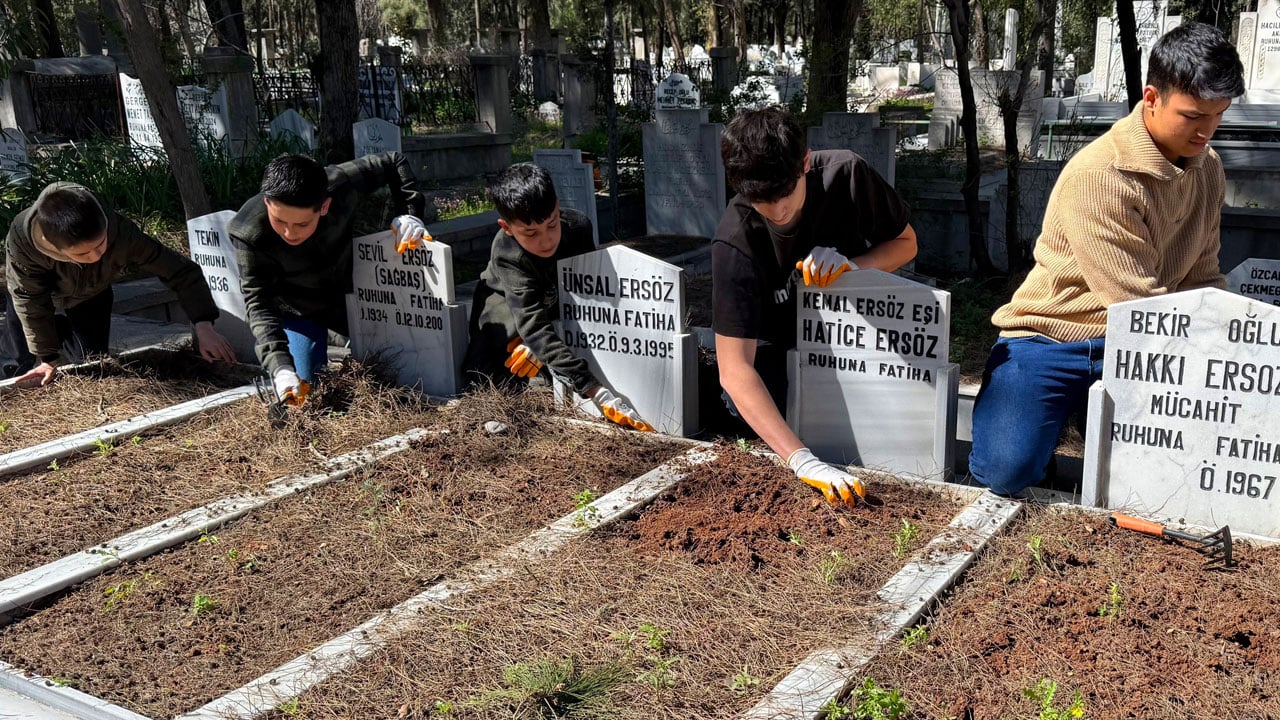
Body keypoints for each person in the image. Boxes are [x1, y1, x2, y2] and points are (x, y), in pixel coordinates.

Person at [968, 22, 1243, 497]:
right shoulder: (1101, 175)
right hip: (1055, 336)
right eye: (1194, 115)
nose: (1208, 130)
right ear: (1152, 98)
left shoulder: (1208, 168)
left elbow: (1204, 277)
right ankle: (1050, 423)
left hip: (1151, 337)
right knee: (1006, 472)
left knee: (1179, 474)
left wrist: (1231, 348)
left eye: (1218, 114)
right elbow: (1134, 301)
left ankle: (1078, 421)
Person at [712, 107, 918, 506]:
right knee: (746, 413)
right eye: (761, 202)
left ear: (804, 162)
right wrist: (802, 460)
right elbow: (735, 369)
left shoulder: (847, 175)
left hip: (854, 336)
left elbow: (907, 244)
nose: (778, 212)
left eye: (784, 194)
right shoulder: (735, 238)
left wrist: (852, 268)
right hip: (780, 347)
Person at [462, 163, 654, 432]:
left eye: (552, 224)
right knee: (489, 374)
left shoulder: (577, 227)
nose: (546, 240)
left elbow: (585, 293)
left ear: (558, 207)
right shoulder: (506, 252)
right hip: (505, 302)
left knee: (545, 354)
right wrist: (594, 390)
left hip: (553, 297)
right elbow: (532, 323)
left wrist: (550, 339)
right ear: (506, 227)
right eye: (530, 233)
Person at [229, 152, 429, 406]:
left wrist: (410, 212)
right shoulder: (248, 232)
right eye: (279, 221)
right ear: (268, 203)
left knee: (401, 364)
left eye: (302, 224)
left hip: (348, 291)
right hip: (299, 308)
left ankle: (340, 334)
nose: (289, 233)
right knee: (305, 390)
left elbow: (394, 161)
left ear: (324, 206)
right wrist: (280, 368)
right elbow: (258, 304)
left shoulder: (340, 182)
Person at [2, 182, 236, 386]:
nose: (95, 257)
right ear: (56, 249)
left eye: (101, 245)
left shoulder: (120, 233)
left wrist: (203, 325)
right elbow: (30, 299)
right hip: (34, 295)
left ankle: (62, 332)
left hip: (91, 293)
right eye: (83, 254)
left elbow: (180, 271)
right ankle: (27, 359)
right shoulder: (23, 242)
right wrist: (46, 358)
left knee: (92, 365)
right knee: (28, 362)